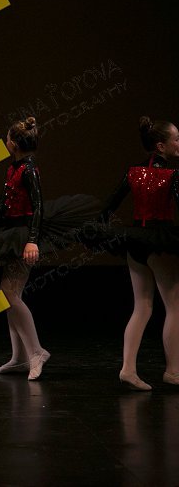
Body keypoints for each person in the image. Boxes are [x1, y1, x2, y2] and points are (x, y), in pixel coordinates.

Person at [0, 117, 97, 381]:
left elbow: (38, 207)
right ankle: (19, 357)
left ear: (14, 144)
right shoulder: (13, 168)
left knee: (8, 293)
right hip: (11, 232)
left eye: (7, 139)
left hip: (24, 234)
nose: (5, 142)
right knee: (10, 294)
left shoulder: (29, 170)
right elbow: (3, 204)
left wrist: (32, 240)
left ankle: (37, 351)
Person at [98, 117, 179, 391]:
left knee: (142, 306)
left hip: (135, 242)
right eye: (176, 139)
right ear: (161, 146)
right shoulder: (172, 176)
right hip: (159, 242)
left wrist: (102, 232)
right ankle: (173, 371)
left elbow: (107, 208)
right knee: (175, 306)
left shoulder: (132, 172)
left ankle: (128, 369)